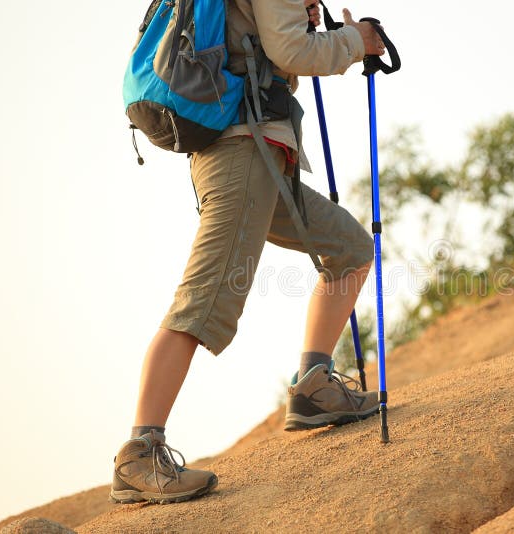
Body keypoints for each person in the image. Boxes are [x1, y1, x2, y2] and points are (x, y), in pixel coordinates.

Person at [109, 0, 386, 505]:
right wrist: (357, 42)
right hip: (243, 155)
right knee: (204, 302)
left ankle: (314, 386)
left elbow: (266, 46)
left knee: (349, 249)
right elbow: (292, 49)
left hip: (257, 153)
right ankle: (139, 452)